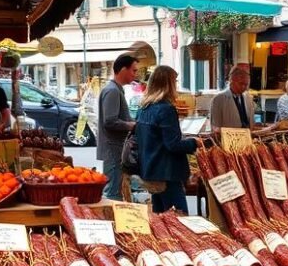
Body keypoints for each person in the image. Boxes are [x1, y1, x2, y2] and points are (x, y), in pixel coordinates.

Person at [136, 66, 197, 214]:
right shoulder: (166, 109)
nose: (176, 85)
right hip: (167, 173)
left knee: (161, 219)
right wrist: (194, 143)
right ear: (168, 84)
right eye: (174, 81)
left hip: (151, 170)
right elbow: (173, 144)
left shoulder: (143, 108)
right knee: (179, 220)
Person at [97, 53, 138, 201]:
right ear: (122, 70)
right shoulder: (112, 91)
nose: (135, 74)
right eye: (133, 70)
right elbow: (110, 121)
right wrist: (131, 125)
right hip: (113, 149)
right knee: (113, 193)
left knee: (115, 190)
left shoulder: (115, 89)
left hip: (115, 148)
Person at [209, 66, 256, 131]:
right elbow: (215, 127)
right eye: (241, 84)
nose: (244, 87)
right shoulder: (218, 99)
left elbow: (251, 124)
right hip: (229, 138)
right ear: (231, 80)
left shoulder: (249, 98)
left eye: (246, 85)